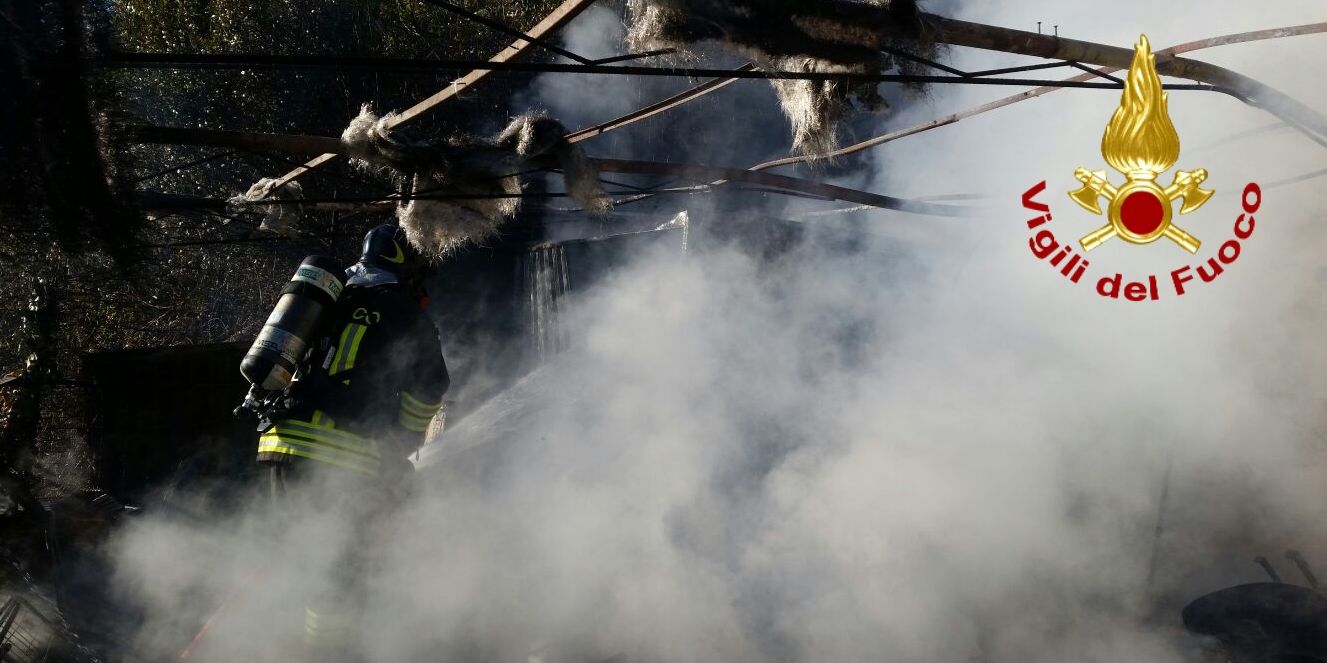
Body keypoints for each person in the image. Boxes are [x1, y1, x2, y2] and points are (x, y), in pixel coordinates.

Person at [255, 223, 449, 660]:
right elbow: (431, 383)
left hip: (277, 445)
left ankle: (286, 646)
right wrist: (403, 438)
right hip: (338, 457)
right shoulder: (400, 310)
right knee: (342, 578)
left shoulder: (332, 296)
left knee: (308, 563)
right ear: (411, 266)